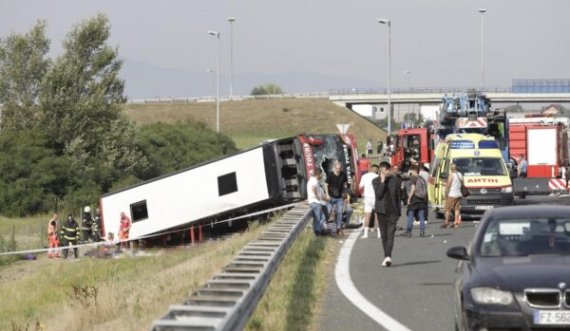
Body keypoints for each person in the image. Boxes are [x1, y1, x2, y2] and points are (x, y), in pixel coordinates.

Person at [373, 161, 402, 267]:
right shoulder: (375, 181)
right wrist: (382, 181)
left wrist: (399, 212)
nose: (386, 172)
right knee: (384, 235)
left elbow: (398, 196)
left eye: (387, 170)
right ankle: (386, 256)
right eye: (384, 170)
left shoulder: (394, 180)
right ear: (380, 171)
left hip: (392, 211)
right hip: (381, 211)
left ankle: (388, 256)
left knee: (391, 234)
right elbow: (379, 194)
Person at [404, 165, 428, 237]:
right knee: (421, 217)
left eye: (411, 170)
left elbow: (413, 188)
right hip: (422, 199)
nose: (410, 172)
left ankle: (408, 231)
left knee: (410, 215)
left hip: (414, 199)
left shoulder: (413, 178)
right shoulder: (422, 179)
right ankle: (422, 231)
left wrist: (409, 198)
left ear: (414, 170)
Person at [359, 164, 381, 239]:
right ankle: (379, 233)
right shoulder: (378, 177)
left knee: (367, 216)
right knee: (377, 216)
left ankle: (365, 234)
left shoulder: (364, 176)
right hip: (376, 198)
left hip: (367, 198)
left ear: (370, 169)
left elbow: (360, 186)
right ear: (377, 170)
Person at [326, 161, 348, 235]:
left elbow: (345, 183)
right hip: (331, 196)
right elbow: (326, 185)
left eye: (339, 168)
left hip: (339, 197)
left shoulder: (343, 174)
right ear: (334, 168)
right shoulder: (330, 175)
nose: (338, 169)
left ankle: (338, 228)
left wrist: (345, 192)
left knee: (339, 212)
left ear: (341, 168)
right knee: (328, 211)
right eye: (337, 168)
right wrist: (327, 195)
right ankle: (325, 225)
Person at [307, 168, 327, 236]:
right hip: (315, 202)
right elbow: (313, 188)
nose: (321, 176)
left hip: (312, 202)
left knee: (320, 217)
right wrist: (317, 196)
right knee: (318, 218)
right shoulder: (314, 180)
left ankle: (318, 230)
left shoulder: (311, 180)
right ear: (318, 174)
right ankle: (317, 231)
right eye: (321, 174)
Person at [443, 163, 463, 228]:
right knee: (457, 209)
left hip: (452, 194)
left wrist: (446, 193)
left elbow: (448, 185)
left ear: (451, 169)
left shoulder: (451, 175)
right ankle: (456, 223)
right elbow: (463, 184)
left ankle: (446, 222)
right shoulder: (460, 174)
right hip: (459, 194)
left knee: (447, 208)